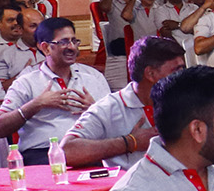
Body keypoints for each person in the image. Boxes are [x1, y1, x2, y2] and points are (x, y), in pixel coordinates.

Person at [0, 17, 108, 165]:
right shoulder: (26, 82)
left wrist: (95, 109)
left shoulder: (93, 77)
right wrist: (36, 104)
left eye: (74, 41)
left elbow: (118, 123)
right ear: (46, 48)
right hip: (41, 154)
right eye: (64, 42)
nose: (72, 47)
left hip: (88, 150)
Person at [64, 34, 187, 169]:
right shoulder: (109, 108)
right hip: (133, 181)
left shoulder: (188, 102)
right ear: (150, 74)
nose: (184, 77)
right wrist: (130, 142)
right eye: (177, 71)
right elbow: (66, 152)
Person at [0, 4, 41, 85]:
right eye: (10, 20)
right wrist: (24, 74)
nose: (16, 23)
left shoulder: (42, 46)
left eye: (18, 21)